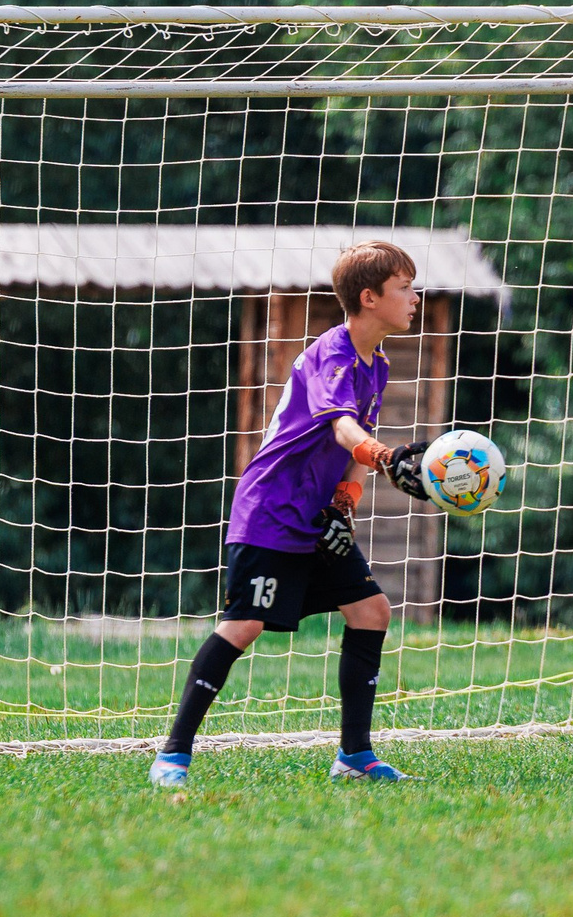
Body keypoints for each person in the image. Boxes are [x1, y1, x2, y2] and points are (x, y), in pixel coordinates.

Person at [151, 240, 435, 789]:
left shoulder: (376, 364)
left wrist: (345, 502)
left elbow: (351, 447)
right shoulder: (333, 352)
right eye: (405, 287)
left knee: (372, 612)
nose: (415, 297)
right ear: (370, 297)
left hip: (316, 514)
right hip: (271, 510)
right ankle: (173, 756)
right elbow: (343, 429)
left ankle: (355, 756)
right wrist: (384, 457)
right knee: (243, 625)